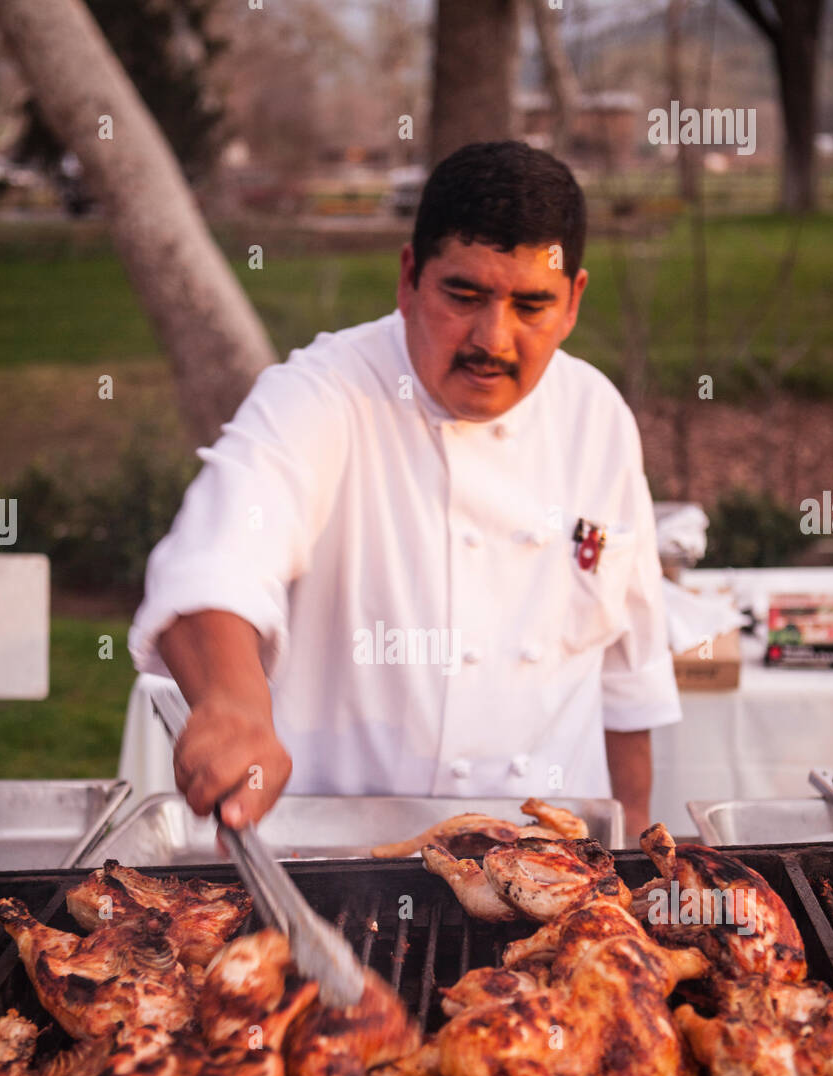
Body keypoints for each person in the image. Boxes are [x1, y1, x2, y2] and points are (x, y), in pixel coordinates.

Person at [129, 141, 680, 842]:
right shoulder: (323, 394)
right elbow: (218, 551)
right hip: (345, 870)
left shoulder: (596, 416)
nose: (493, 338)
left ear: (572, 302)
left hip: (557, 871)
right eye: (464, 295)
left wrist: (634, 842)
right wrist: (234, 700)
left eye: (531, 305)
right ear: (410, 277)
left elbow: (628, 674)